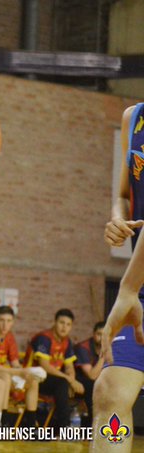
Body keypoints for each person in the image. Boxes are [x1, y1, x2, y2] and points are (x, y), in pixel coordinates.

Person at [94, 103, 144, 453]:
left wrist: (127, 287)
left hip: (134, 283)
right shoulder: (134, 117)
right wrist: (117, 218)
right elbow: (123, 195)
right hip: (140, 282)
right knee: (110, 391)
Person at [0, 305, 43, 428]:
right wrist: (18, 372)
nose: (5, 325)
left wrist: (24, 372)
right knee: (6, 377)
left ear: (12, 322)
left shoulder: (9, 336)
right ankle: (3, 421)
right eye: (2, 320)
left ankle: (31, 425)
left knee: (33, 381)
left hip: (3, 374)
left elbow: (15, 363)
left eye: (8, 321)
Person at [25, 308, 84, 429]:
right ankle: (64, 426)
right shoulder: (44, 338)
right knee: (62, 383)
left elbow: (69, 366)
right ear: (55, 322)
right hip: (33, 378)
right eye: (61, 323)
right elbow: (45, 366)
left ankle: (92, 425)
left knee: (87, 384)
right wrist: (69, 380)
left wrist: (72, 381)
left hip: (52, 379)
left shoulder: (67, 341)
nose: (64, 327)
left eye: (68, 324)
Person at [75, 321, 104, 426]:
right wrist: (104, 355)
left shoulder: (113, 348)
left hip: (96, 381)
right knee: (93, 386)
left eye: (105, 335)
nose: (102, 338)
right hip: (78, 380)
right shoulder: (83, 347)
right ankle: (92, 425)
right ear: (93, 334)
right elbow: (91, 375)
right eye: (99, 334)